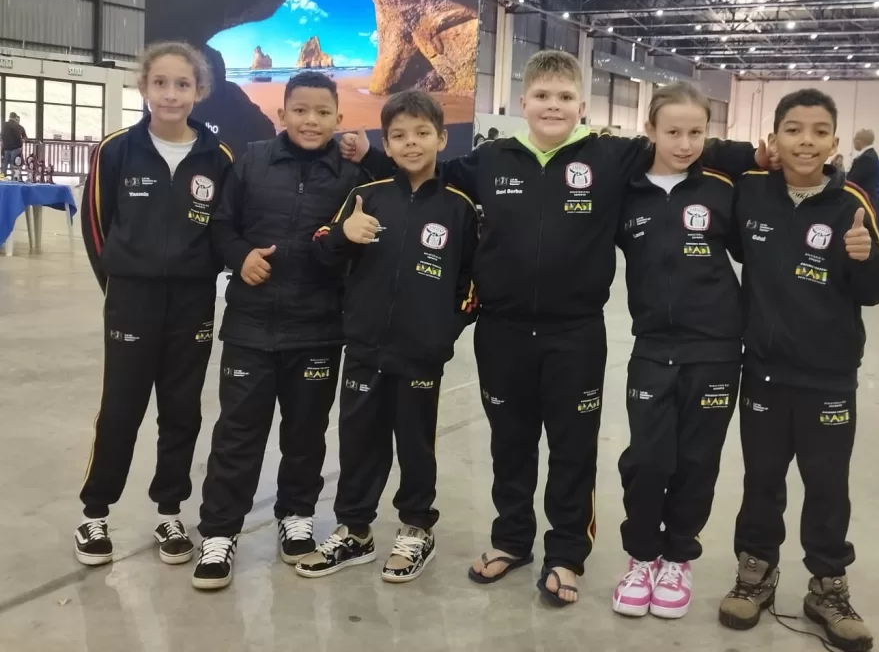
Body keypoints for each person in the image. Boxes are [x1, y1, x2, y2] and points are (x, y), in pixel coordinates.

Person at [343, 50, 763, 607]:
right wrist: (368, 155)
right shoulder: (489, 161)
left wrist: (759, 155)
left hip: (576, 334)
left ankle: (566, 554)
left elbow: (681, 138)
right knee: (509, 446)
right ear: (523, 102)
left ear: (581, 105)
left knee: (572, 450)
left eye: (565, 97)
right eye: (542, 96)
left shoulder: (612, 156)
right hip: (503, 332)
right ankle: (511, 540)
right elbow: (422, 169)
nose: (553, 106)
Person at [718, 89, 879, 652]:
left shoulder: (851, 203)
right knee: (761, 480)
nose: (806, 142)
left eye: (819, 131)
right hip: (763, 372)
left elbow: (878, 289)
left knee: (827, 485)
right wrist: (749, 156)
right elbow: (705, 163)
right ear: (774, 138)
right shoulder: (751, 190)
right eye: (793, 130)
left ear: (835, 142)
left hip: (829, 376)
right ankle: (755, 572)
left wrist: (865, 259)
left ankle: (828, 588)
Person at [191, 70, 369, 591]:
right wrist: (241, 256)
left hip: (318, 330)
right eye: (300, 111)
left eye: (322, 113)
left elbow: (356, 247)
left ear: (338, 118)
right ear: (282, 113)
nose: (311, 121)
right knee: (237, 434)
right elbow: (221, 225)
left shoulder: (351, 176)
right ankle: (219, 533)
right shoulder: (251, 162)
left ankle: (297, 515)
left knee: (306, 433)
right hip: (250, 327)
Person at [294, 91, 478, 584]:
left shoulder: (459, 207)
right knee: (358, 442)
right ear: (387, 144)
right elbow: (322, 249)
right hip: (364, 347)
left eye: (422, 133)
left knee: (415, 444)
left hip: (421, 354)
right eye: (399, 136)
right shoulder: (367, 195)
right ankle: (354, 531)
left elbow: (472, 283)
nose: (411, 143)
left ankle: (417, 528)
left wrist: (442, 331)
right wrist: (343, 234)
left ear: (442, 138)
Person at [75, 42, 233, 567]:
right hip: (132, 299)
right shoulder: (116, 150)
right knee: (121, 408)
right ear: (143, 87)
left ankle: (170, 510)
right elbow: (96, 225)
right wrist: (119, 283)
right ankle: (95, 514)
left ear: (200, 91)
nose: (170, 94)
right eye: (160, 83)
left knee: (182, 410)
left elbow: (225, 228)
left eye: (182, 84)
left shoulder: (218, 157)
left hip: (193, 302)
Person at [610, 83, 742, 620]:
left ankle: (678, 557)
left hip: (716, 349)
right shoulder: (626, 192)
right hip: (652, 346)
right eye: (673, 132)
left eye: (696, 132)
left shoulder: (723, 188)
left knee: (696, 460)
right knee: (647, 458)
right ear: (650, 131)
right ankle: (642, 556)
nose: (685, 144)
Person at [847, 129, 879, 207]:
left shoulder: (866, 158)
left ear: (860, 141)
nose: (853, 142)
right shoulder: (871, 155)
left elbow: (853, 180)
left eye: (854, 139)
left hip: (863, 200)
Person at [2, 111, 27, 176]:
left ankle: (2, 177)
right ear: (15, 118)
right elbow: (17, 137)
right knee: (13, 163)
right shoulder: (16, 126)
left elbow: (2, 135)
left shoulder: (5, 125)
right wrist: (20, 144)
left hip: (6, 147)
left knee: (5, 164)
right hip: (15, 147)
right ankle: (14, 177)